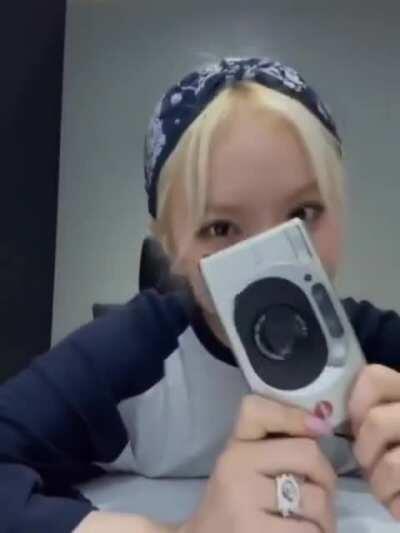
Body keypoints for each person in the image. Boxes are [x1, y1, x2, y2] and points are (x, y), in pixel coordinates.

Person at [1, 57, 400, 533]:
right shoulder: (131, 352)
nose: (273, 263)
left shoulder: (376, 347)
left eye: (303, 213)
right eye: (221, 228)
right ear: (172, 247)